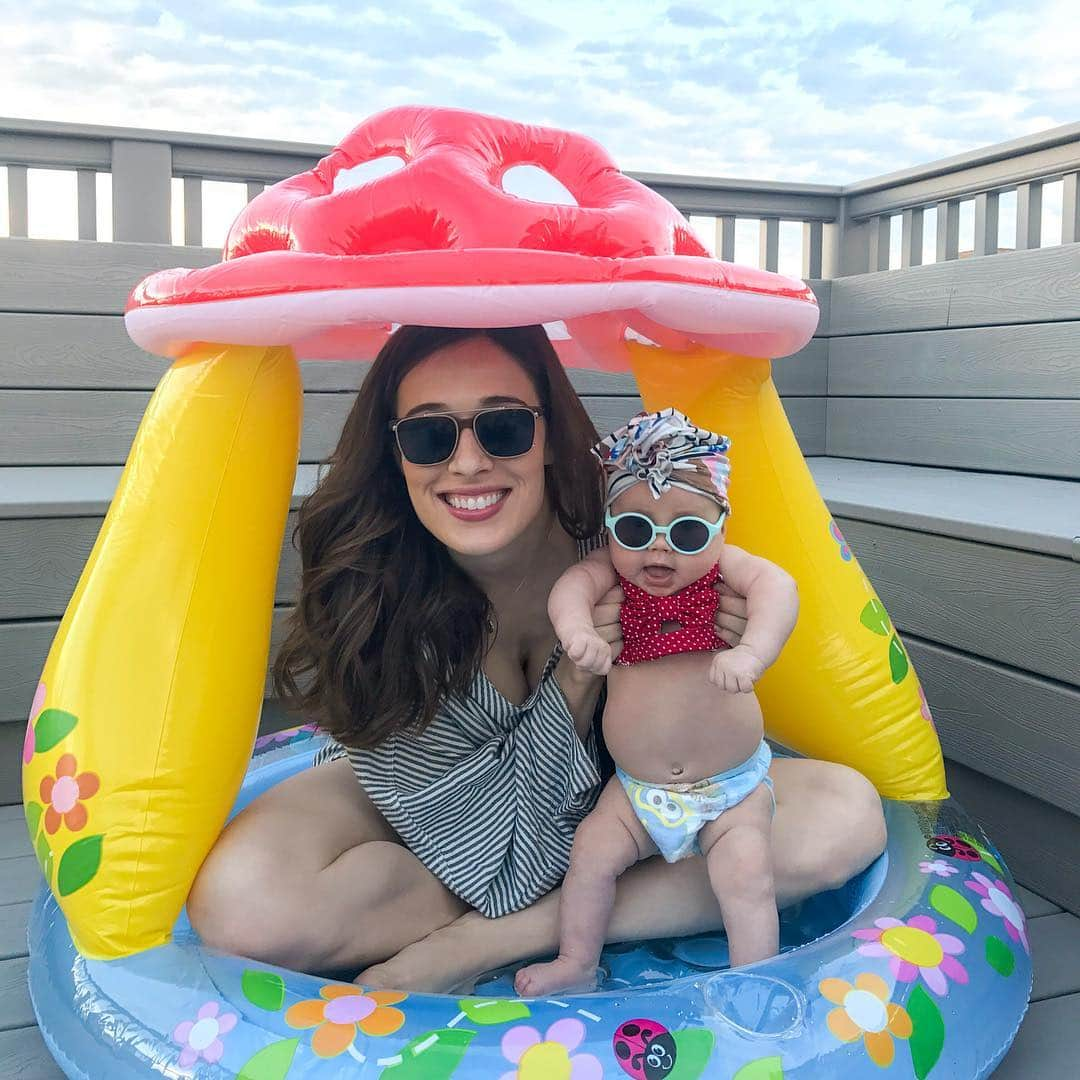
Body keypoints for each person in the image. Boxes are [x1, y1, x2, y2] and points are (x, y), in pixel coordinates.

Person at [187, 324, 886, 993]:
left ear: (548, 434)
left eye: (503, 427)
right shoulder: (376, 598)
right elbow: (512, 871)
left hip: (625, 803)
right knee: (243, 908)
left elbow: (716, 716)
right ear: (395, 454)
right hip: (433, 794)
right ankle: (553, 910)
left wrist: (726, 630)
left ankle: (498, 939)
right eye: (429, 436)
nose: (468, 463)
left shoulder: (632, 546)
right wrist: (578, 679)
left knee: (842, 817)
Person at [516, 409, 796, 996]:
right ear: (611, 528)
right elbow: (571, 590)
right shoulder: (609, 578)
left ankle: (757, 980)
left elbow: (780, 586)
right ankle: (576, 963)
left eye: (687, 533)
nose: (660, 551)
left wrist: (753, 655)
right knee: (590, 855)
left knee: (746, 876)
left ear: (721, 528)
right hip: (637, 792)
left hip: (730, 789)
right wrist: (579, 635)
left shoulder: (725, 572)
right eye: (636, 531)